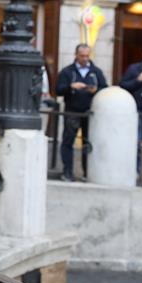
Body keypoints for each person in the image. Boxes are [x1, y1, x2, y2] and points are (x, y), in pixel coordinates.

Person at [55, 43, 107, 182]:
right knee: (68, 141)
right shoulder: (67, 71)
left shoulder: (96, 72)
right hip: (72, 111)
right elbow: (58, 90)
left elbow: (104, 89)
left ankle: (87, 172)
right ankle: (67, 172)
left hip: (90, 112)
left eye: (87, 56)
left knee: (88, 142)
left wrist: (95, 90)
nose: (85, 59)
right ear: (76, 55)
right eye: (82, 56)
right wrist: (71, 86)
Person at [120, 44, 142, 172]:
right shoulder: (134, 69)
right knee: (136, 142)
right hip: (139, 112)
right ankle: (134, 170)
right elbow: (123, 85)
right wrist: (138, 80)